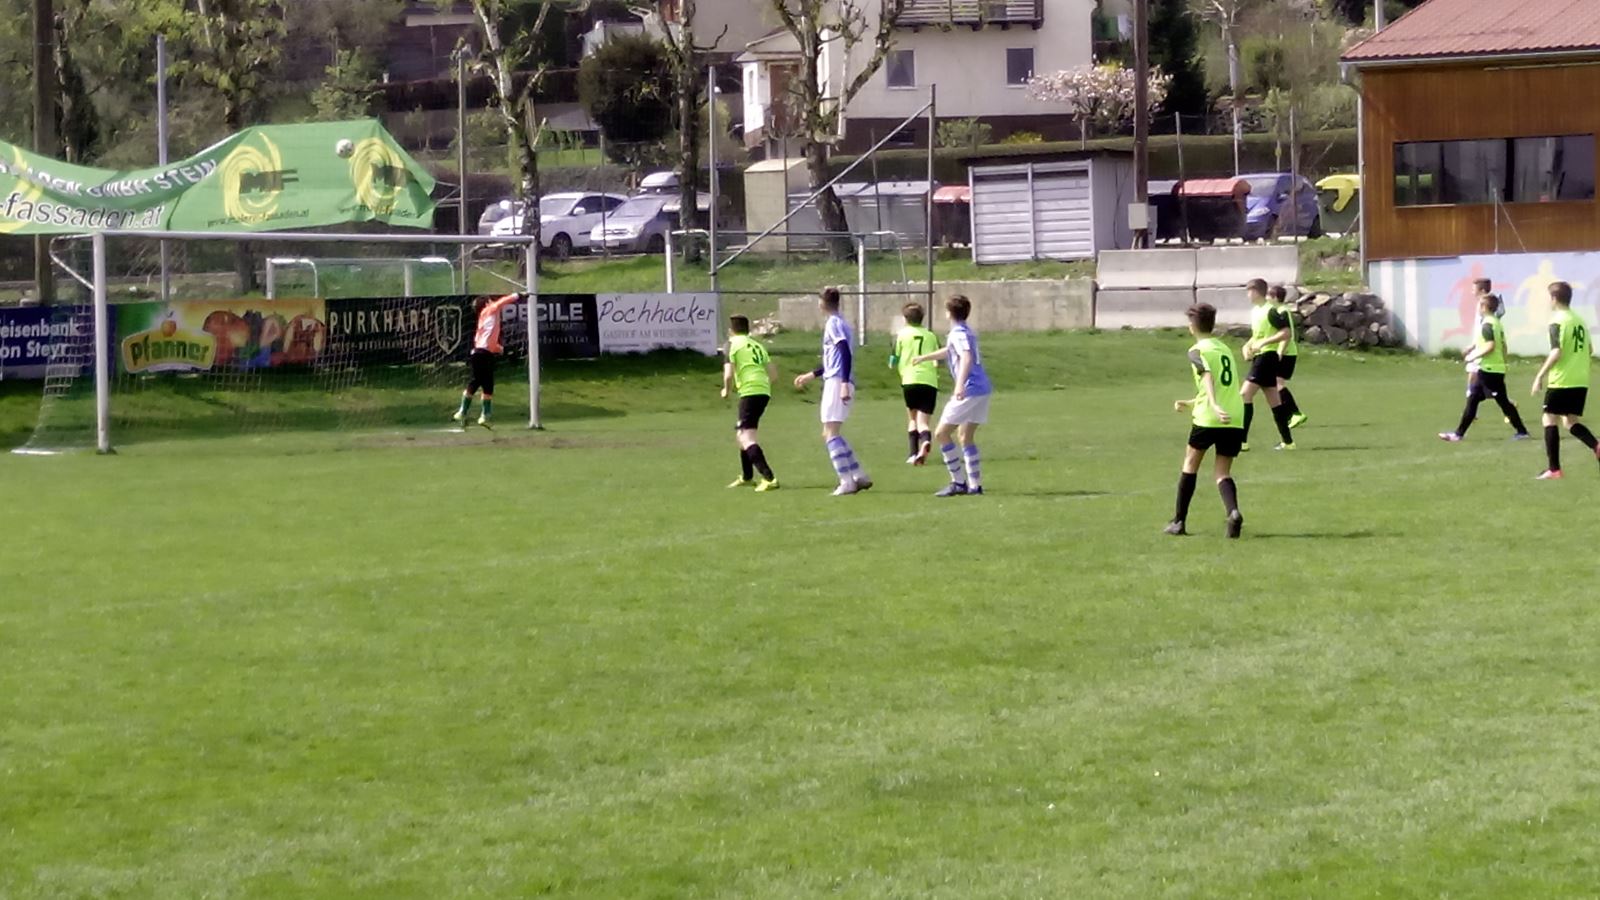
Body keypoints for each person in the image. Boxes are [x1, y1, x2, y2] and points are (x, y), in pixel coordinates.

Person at [1167, 303, 1247, 539]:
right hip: (1234, 417)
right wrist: (1192, 402)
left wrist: (1212, 405)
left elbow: (1208, 377)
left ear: (1192, 325)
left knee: (1190, 464)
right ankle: (1233, 512)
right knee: (1222, 472)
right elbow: (1224, 387)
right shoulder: (1224, 349)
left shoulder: (1196, 351)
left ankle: (1179, 522)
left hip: (1209, 417)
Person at [911, 295, 993, 497]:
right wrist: (924, 358)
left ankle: (958, 482)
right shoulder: (966, 331)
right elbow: (950, 351)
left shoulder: (958, 333)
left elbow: (966, 356)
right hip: (982, 389)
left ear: (949, 313)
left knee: (941, 433)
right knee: (965, 437)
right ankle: (975, 485)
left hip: (970, 389)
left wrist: (959, 384)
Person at [794, 288, 872, 495]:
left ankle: (846, 482)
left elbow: (844, 351)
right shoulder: (840, 322)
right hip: (836, 379)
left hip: (837, 381)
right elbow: (835, 357)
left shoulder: (833, 323)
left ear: (822, 303)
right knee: (829, 432)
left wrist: (844, 382)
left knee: (830, 433)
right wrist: (812, 374)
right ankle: (858, 475)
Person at [1438, 291, 1530, 443]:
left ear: (1484, 307)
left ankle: (1522, 431)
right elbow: (1503, 345)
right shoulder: (1495, 322)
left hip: (1490, 370)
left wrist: (1473, 356)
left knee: (1502, 403)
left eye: (1479, 305)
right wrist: (1500, 360)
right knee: (1473, 398)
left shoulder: (1488, 324)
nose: (1478, 308)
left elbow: (1490, 345)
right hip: (1489, 368)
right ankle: (1458, 434)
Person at [1530, 281, 1598, 479]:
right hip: (1580, 379)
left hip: (1562, 380)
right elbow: (1590, 349)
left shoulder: (1557, 321)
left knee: (1549, 418)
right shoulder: (1579, 320)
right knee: (1569, 421)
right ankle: (1596, 445)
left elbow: (1556, 352)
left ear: (1553, 299)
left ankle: (1554, 469)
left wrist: (1539, 376)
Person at [722, 316, 780, 491]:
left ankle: (769, 478)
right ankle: (747, 476)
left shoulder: (731, 344)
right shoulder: (757, 345)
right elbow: (774, 375)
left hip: (749, 392)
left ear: (731, 330)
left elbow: (728, 375)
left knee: (746, 437)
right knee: (742, 434)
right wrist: (761, 384)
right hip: (763, 391)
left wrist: (726, 390)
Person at [1239, 278, 1297, 451]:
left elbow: (1286, 333)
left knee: (1244, 394)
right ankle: (1288, 442)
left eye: (1249, 291)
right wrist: (1247, 346)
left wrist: (1264, 343)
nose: (1247, 295)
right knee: (1274, 401)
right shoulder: (1255, 311)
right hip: (1261, 357)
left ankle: (1242, 442)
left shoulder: (1270, 311)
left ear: (1256, 292)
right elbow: (1257, 335)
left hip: (1267, 357)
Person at [452, 293, 521, 429]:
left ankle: (472, 414)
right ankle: (475, 414)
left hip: (480, 353)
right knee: (483, 383)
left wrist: (503, 350)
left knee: (481, 382)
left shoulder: (486, 318)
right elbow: (502, 302)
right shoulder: (489, 310)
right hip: (483, 354)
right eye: (489, 301)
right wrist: (517, 295)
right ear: (485, 304)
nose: (492, 302)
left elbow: (490, 343)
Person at [889, 302, 940, 465]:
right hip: (929, 381)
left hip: (909, 380)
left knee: (912, 419)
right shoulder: (930, 335)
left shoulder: (902, 335)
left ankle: (913, 453)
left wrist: (893, 363)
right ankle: (925, 440)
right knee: (923, 422)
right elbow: (938, 357)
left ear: (905, 319)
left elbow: (893, 358)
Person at [1269, 285, 1308, 430]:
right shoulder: (1282, 310)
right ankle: (1289, 415)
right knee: (1275, 384)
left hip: (1286, 353)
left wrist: (1280, 352)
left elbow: (1286, 335)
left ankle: (1295, 413)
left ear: (1274, 297)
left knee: (1277, 384)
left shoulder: (1282, 311)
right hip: (1287, 352)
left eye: (1268, 296)